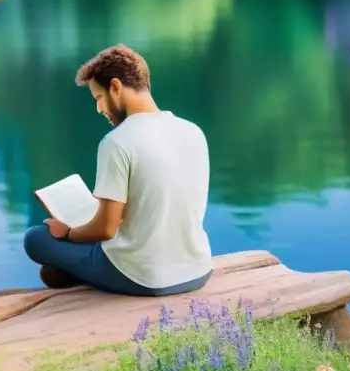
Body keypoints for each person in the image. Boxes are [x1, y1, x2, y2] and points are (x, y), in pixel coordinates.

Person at [23, 44, 213, 296]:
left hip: (144, 278)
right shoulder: (193, 131)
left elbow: (105, 230)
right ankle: (73, 269)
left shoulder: (117, 141)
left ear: (115, 87)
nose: (99, 108)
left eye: (99, 98)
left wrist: (68, 233)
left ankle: (73, 270)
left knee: (36, 238)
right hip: (197, 269)